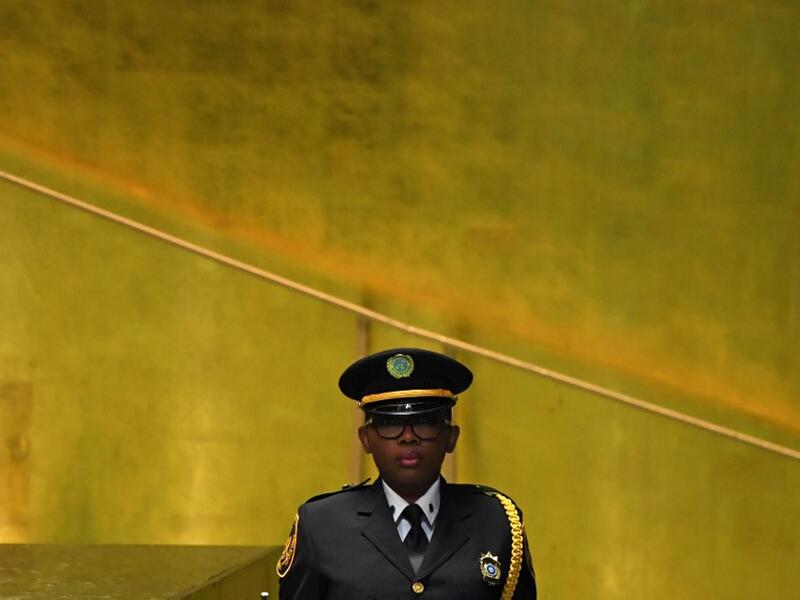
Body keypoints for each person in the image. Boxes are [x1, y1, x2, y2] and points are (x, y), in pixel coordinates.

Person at [276, 347, 537, 599]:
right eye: (390, 424)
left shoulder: (496, 521)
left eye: (425, 422)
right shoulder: (321, 525)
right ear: (365, 439)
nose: (409, 437)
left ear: (451, 437)